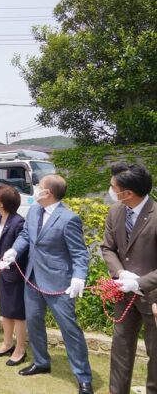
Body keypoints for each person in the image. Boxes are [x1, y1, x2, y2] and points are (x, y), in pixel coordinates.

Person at [2, 174, 93, 394]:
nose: (35, 189)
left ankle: (83, 377)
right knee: (34, 322)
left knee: (69, 328)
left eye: (38, 187)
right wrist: (15, 249)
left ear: (48, 193)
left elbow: (80, 253)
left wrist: (79, 277)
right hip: (32, 278)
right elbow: (26, 235)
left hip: (59, 282)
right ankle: (41, 362)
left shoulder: (68, 218)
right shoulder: (34, 211)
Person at [100, 163, 157, 394]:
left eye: (113, 187)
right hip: (124, 293)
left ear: (128, 193)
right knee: (121, 348)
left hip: (153, 297)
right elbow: (107, 248)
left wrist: (140, 282)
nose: (111, 190)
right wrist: (121, 273)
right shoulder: (116, 211)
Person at [0, 186, 27, 365]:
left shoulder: (18, 222)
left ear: (2, 202)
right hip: (2, 271)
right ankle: (7, 343)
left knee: (18, 313)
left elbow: (22, 248)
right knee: (6, 310)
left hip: (16, 272)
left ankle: (20, 348)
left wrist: (7, 262)